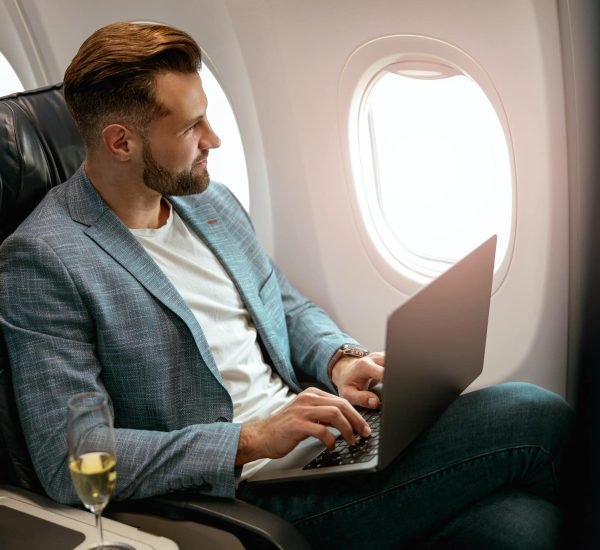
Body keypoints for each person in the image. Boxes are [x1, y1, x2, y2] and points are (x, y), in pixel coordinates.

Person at [0, 22, 572, 548]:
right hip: (248, 490)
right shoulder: (45, 260)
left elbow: (284, 305)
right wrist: (250, 439)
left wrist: (340, 360)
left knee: (518, 527)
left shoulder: (211, 204)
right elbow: (73, 457)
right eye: (191, 126)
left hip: (319, 442)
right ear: (122, 143)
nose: (215, 139)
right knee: (532, 413)